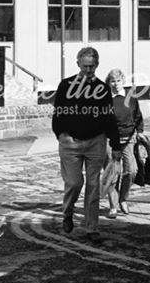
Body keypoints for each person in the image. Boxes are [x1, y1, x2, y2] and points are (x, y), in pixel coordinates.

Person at [52, 47, 122, 243]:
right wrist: (61, 135)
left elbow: (109, 118)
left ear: (97, 65)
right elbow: (58, 113)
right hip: (70, 142)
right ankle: (67, 213)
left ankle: (91, 227)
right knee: (74, 183)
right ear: (78, 64)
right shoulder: (66, 86)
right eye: (85, 66)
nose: (88, 70)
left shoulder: (103, 89)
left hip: (95, 142)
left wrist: (115, 145)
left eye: (92, 66)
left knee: (93, 185)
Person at [104, 69, 143, 218]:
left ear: (123, 82)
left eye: (118, 81)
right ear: (108, 83)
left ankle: (123, 199)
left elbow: (138, 115)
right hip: (109, 140)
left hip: (128, 139)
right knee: (112, 174)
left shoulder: (131, 98)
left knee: (131, 170)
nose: (115, 84)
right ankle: (113, 206)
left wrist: (140, 132)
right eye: (112, 81)